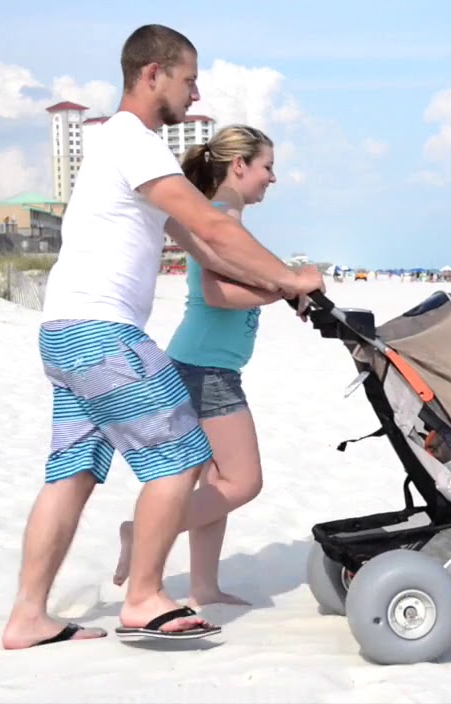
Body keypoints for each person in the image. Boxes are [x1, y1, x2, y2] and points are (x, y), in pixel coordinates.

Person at [0, 24, 323, 650]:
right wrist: (290, 276)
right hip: (101, 332)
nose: (195, 94)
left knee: (70, 474)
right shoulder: (132, 139)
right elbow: (208, 222)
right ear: (153, 74)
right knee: (180, 456)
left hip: (64, 331)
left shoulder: (113, 148)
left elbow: (198, 241)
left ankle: (28, 617)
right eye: (189, 79)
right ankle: (144, 596)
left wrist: (282, 287)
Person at [111, 125, 285, 607]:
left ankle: (204, 586)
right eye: (268, 167)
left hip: (199, 364)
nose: (273, 178)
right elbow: (215, 293)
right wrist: (283, 290)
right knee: (243, 481)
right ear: (239, 165)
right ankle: (139, 530)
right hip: (206, 371)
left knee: (214, 482)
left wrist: (278, 288)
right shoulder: (220, 217)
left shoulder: (225, 217)